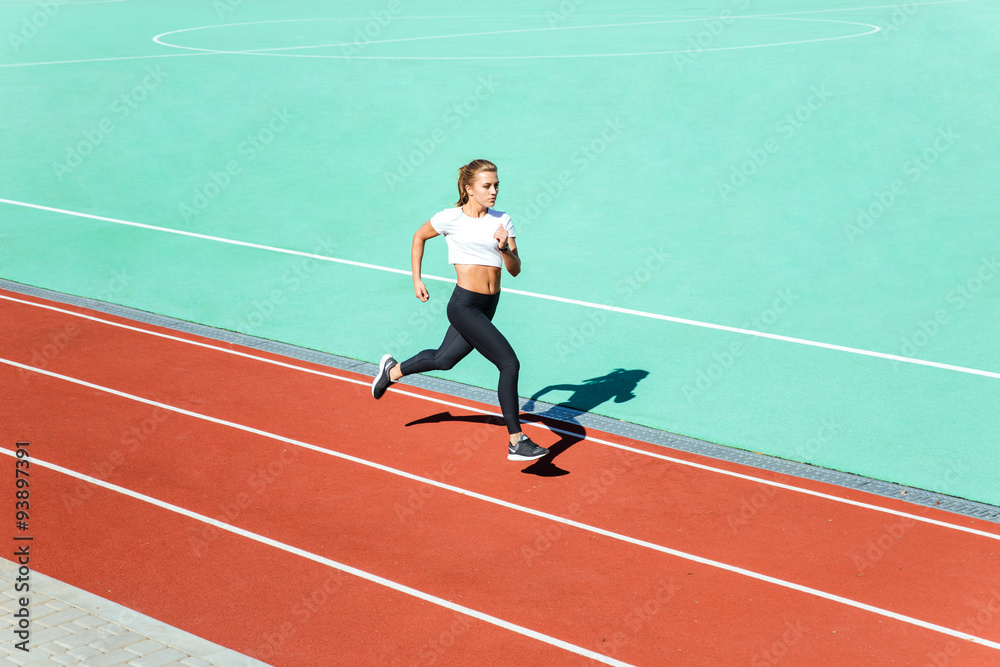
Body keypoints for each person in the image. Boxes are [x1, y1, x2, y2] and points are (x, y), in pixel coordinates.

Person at [371, 159, 549, 462]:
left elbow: (516, 270)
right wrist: (417, 279)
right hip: (464, 305)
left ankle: (393, 370)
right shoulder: (449, 219)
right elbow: (418, 237)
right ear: (469, 188)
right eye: (487, 186)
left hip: (489, 304)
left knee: (444, 360)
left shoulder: (502, 220)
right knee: (509, 364)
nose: (494, 191)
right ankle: (516, 440)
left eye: (496, 186)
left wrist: (505, 249)